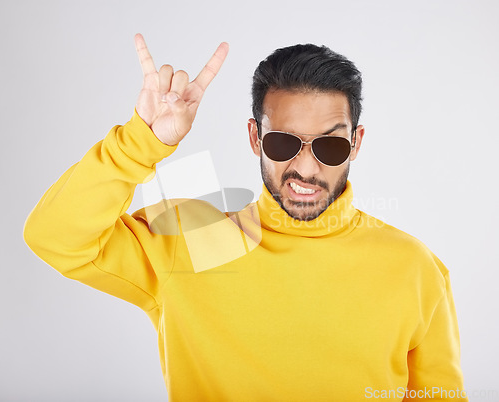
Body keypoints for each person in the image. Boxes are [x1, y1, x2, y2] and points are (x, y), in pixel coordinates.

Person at [23, 33, 468, 401]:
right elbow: (54, 236)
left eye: (330, 145)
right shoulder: (188, 240)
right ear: (255, 137)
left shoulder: (414, 267)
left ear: (356, 143)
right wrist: (141, 143)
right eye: (284, 143)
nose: (307, 169)